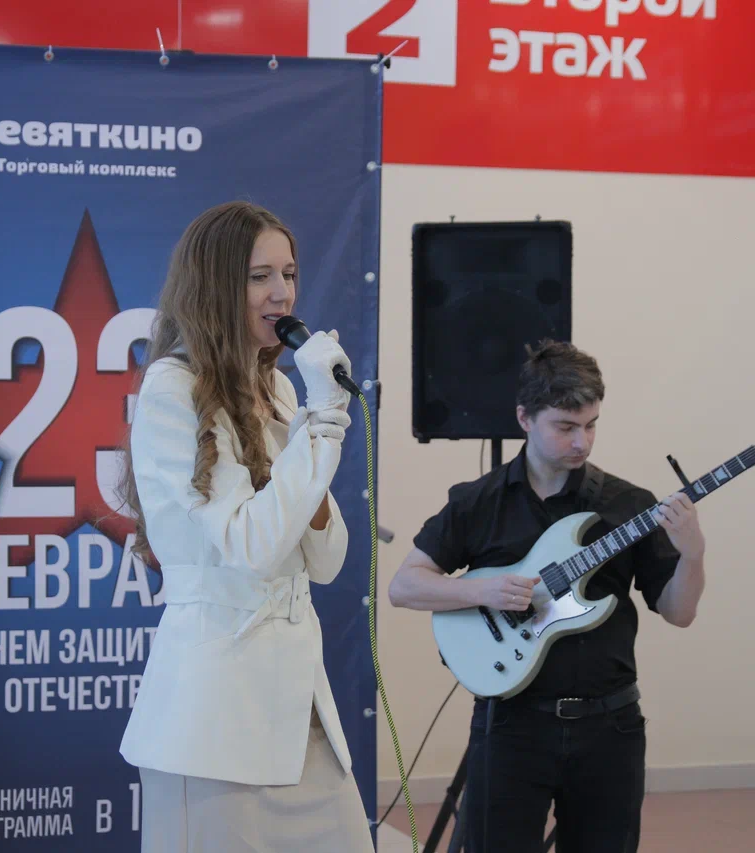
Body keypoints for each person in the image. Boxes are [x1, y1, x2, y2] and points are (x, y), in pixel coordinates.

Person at [116, 200, 373, 851]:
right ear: (215, 285)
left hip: (297, 709)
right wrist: (322, 423)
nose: (282, 292)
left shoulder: (279, 389)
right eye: (260, 276)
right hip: (215, 719)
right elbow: (250, 547)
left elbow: (327, 560)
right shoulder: (173, 388)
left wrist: (311, 438)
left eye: (289, 273)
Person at [388, 340, 707, 853]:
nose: (582, 442)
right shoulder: (478, 501)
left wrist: (692, 554)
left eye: (591, 425)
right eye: (565, 426)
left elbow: (680, 612)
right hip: (510, 727)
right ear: (525, 418)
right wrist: (483, 590)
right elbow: (404, 586)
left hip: (611, 727)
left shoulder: (629, 504)